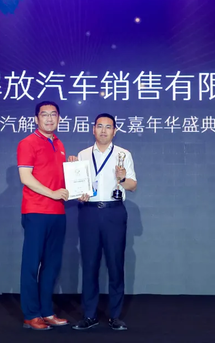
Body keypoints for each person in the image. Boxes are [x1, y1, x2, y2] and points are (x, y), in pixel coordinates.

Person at [70, 113, 137, 331]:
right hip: (89, 212)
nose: (103, 130)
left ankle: (115, 316)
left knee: (115, 264)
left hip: (113, 212)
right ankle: (89, 315)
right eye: (100, 126)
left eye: (108, 127)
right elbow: (78, 185)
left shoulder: (123, 154)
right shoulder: (83, 154)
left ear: (114, 131)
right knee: (89, 264)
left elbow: (133, 186)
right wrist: (79, 193)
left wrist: (122, 178)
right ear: (93, 129)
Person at [16, 101, 70, 331]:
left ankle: (46, 311)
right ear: (36, 119)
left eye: (53, 114)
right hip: (36, 211)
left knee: (51, 265)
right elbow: (26, 177)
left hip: (58, 212)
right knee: (31, 265)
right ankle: (31, 314)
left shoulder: (59, 144)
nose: (49, 118)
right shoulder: (27, 143)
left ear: (59, 118)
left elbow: (58, 177)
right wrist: (52, 193)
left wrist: (72, 169)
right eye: (44, 114)